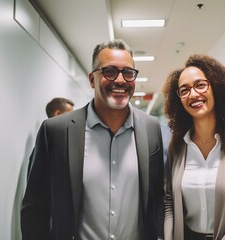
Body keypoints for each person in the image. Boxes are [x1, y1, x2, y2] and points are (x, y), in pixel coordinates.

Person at [21, 39, 164, 240]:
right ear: (91, 79)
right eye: (110, 71)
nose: (121, 80)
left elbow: (157, 198)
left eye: (128, 72)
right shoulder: (56, 131)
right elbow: (35, 208)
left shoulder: (151, 128)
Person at [163, 54, 225, 240]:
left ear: (216, 87)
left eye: (200, 85)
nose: (193, 94)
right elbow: (170, 202)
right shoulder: (177, 147)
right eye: (184, 90)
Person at [27, 97, 75, 177]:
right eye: (70, 115)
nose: (73, 119)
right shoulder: (51, 145)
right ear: (58, 114)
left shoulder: (46, 144)